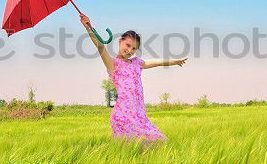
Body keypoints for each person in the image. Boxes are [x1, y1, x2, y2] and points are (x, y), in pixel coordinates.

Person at [80, 14, 188, 150]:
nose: (130, 50)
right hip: (124, 115)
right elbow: (101, 47)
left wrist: (174, 61)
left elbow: (157, 62)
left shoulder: (137, 63)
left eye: (134, 49)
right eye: (128, 45)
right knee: (135, 149)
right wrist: (88, 27)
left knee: (159, 142)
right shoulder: (113, 64)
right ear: (120, 41)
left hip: (140, 115)